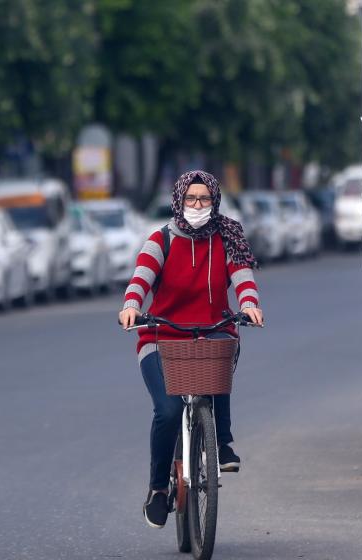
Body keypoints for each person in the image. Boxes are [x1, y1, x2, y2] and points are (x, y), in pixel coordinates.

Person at [118, 170, 264, 530]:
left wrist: (250, 303)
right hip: (159, 336)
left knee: (220, 361)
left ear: (215, 202)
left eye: (205, 199)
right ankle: (157, 490)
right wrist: (131, 304)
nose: (198, 206)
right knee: (167, 411)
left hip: (210, 331)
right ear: (179, 201)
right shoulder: (161, 240)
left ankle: (223, 443)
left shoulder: (226, 238)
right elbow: (141, 278)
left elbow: (242, 276)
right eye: (191, 199)